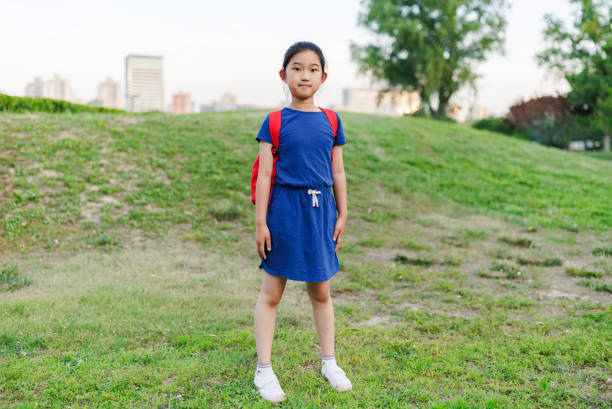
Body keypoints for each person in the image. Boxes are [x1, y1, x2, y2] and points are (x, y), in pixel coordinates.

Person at [252, 41, 351, 403]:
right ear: (284, 75)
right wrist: (261, 223)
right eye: (296, 67)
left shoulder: (332, 120)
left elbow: (338, 170)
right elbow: (265, 176)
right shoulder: (275, 121)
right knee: (272, 293)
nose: (304, 74)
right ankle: (264, 370)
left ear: (323, 77)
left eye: (312, 68)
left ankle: (329, 361)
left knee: (321, 292)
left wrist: (343, 212)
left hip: (321, 213)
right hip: (284, 214)